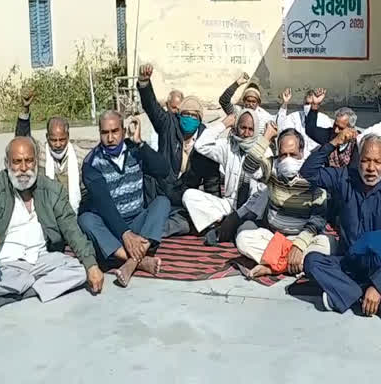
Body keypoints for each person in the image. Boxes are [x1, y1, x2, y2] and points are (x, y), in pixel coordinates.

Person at [300, 132, 381, 325]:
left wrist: (378, 285)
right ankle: (369, 301)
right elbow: (308, 172)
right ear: (358, 159)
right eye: (366, 160)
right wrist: (334, 142)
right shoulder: (345, 178)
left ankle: (349, 295)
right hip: (350, 265)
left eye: (377, 162)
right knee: (312, 261)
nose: (371, 168)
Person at [0, 137, 104, 310]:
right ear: (6, 163)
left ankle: (23, 293)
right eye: (17, 162)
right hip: (5, 264)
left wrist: (91, 264)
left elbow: (71, 228)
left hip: (41, 260)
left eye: (29, 161)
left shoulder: (51, 189)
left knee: (79, 270)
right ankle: (39, 286)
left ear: (36, 161)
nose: (24, 168)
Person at [77, 111, 171, 287]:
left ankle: (131, 263)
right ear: (99, 133)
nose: (110, 138)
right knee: (86, 220)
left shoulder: (135, 151)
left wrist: (141, 144)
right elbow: (104, 204)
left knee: (163, 203)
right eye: (105, 133)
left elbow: (163, 170)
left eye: (115, 131)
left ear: (123, 131)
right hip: (111, 225)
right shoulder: (92, 163)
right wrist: (124, 233)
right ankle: (140, 261)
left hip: (138, 220)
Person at [234, 124, 334, 278]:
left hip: (303, 238)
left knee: (328, 244)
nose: (287, 160)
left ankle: (273, 266)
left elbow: (318, 219)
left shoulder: (313, 173)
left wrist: (299, 245)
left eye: (293, 155)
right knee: (243, 236)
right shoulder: (273, 167)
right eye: (283, 154)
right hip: (274, 238)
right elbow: (248, 167)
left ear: (301, 152)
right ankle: (294, 266)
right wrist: (266, 138)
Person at [136, 64, 221, 236]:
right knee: (158, 211)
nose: (189, 118)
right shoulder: (168, 124)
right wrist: (145, 83)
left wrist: (215, 210)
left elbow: (212, 179)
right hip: (160, 193)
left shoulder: (205, 140)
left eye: (194, 115)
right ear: (179, 114)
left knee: (186, 224)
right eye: (185, 114)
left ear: (199, 119)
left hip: (184, 200)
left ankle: (152, 228)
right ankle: (147, 226)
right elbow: (152, 107)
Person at [182, 110, 268, 243]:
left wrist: (238, 216)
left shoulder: (264, 151)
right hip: (228, 205)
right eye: (243, 128)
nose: (246, 133)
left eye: (250, 129)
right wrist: (223, 124)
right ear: (236, 127)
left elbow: (262, 193)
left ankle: (223, 227)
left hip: (250, 210)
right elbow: (200, 145)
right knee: (189, 196)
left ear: (256, 130)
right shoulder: (229, 146)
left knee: (246, 232)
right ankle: (222, 225)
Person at [14, 89, 87, 212]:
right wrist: (25, 110)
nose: (58, 144)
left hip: (73, 212)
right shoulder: (40, 153)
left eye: (62, 139)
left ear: (68, 137)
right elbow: (22, 140)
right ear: (47, 137)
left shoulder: (80, 156)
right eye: (53, 140)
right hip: (47, 213)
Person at [304, 88, 381, 169]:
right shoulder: (330, 135)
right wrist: (315, 105)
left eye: (341, 128)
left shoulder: (358, 142)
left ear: (350, 128)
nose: (336, 130)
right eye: (335, 125)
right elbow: (311, 130)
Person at [275, 87, 333, 153]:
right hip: (296, 157)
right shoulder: (295, 117)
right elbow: (281, 127)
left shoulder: (325, 120)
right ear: (303, 103)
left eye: (312, 103)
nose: (310, 106)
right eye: (307, 103)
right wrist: (285, 103)